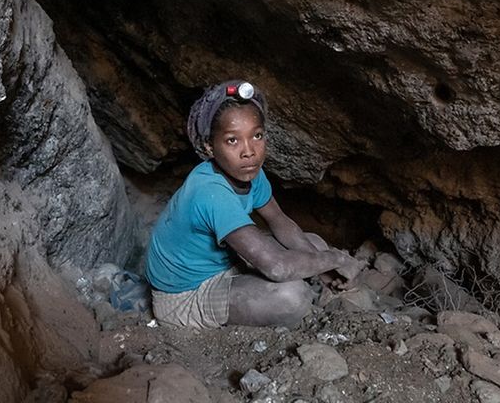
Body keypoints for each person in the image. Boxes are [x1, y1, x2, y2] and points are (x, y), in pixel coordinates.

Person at [145, 80, 365, 329]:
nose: (249, 152)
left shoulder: (247, 172)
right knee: (291, 297)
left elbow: (279, 221)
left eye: (256, 136)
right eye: (232, 141)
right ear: (209, 146)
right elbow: (277, 267)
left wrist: (320, 267)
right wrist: (335, 259)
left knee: (313, 243)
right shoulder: (210, 192)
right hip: (185, 296)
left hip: (224, 263)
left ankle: (311, 282)